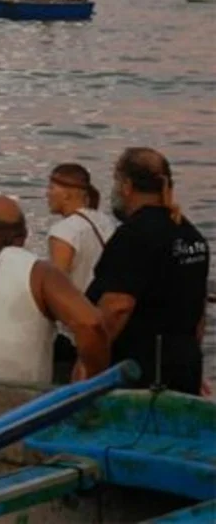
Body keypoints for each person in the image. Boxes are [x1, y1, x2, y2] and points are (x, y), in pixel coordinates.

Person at [0, 196, 110, 383]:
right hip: (15, 404)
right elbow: (91, 324)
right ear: (24, 237)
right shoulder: (39, 272)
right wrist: (93, 382)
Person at [87, 148, 210, 395]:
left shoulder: (133, 236)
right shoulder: (191, 236)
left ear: (127, 185)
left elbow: (117, 307)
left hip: (141, 373)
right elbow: (198, 313)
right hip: (185, 367)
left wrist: (90, 368)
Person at [46, 163, 117, 383]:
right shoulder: (106, 222)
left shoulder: (64, 232)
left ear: (67, 194)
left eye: (51, 188)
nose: (47, 193)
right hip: (106, 325)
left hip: (76, 333)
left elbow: (58, 287)